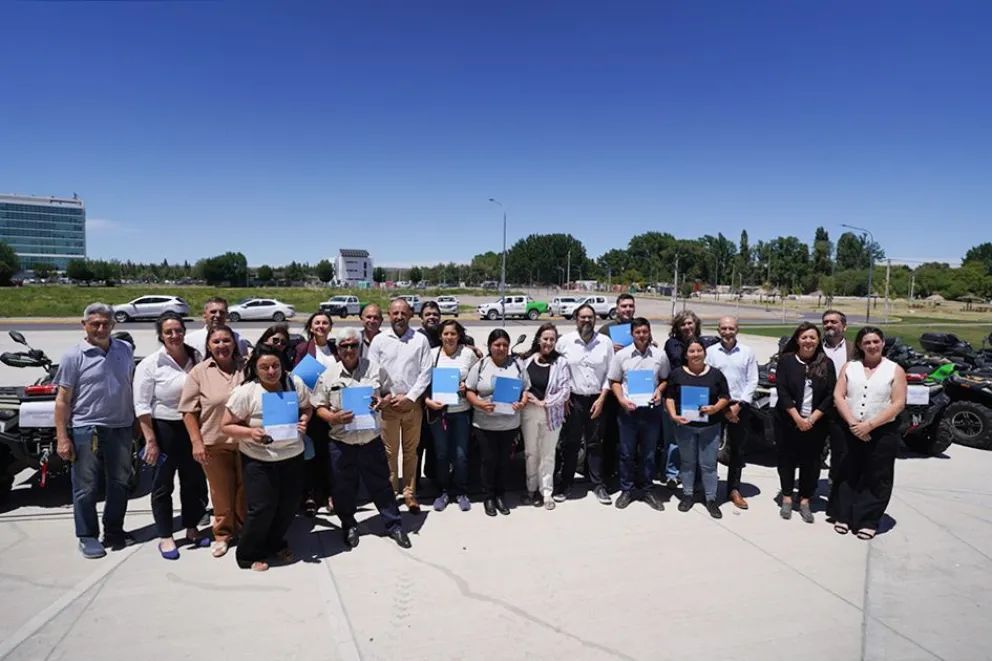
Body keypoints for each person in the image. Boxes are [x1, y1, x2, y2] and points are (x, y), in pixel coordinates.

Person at [311, 328, 412, 549]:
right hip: (342, 444)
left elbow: (389, 393)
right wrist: (333, 417)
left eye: (353, 345)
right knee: (343, 488)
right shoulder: (328, 375)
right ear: (338, 349)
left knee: (382, 485)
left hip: (371, 441)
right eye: (344, 346)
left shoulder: (374, 369)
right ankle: (348, 525)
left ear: (359, 347)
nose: (349, 350)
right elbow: (319, 406)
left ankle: (394, 525)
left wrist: (383, 401)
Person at [54, 303, 136, 558]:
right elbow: (62, 400)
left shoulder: (124, 350)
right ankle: (87, 535)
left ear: (114, 325)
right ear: (84, 325)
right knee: (86, 485)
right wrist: (62, 437)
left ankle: (113, 530)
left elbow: (131, 386)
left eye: (106, 324)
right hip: (87, 428)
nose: (101, 329)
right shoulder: (73, 356)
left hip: (121, 426)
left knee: (120, 481)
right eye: (95, 324)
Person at [221, 344, 312, 571]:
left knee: (287, 506)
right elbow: (226, 426)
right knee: (262, 508)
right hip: (259, 459)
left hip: (292, 455)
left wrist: (304, 420)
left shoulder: (294, 384)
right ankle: (248, 554)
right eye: (264, 367)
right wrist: (250, 433)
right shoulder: (247, 392)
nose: (271, 371)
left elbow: (307, 407)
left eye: (275, 366)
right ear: (256, 368)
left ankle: (275, 543)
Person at [133, 312, 207, 560]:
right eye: (169, 332)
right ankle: (165, 535)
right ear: (161, 336)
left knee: (193, 481)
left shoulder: (196, 356)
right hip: (164, 429)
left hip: (193, 428)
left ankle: (192, 528)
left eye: (178, 330)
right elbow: (141, 406)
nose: (175, 336)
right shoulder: (150, 364)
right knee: (162, 484)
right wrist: (150, 441)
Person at [832, 327, 907, 539]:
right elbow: (839, 395)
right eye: (867, 342)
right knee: (847, 472)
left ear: (883, 343)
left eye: (876, 341)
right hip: (851, 428)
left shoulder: (895, 369)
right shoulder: (850, 367)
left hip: (881, 431)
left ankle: (868, 519)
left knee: (877, 475)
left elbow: (898, 403)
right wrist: (853, 423)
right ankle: (844, 515)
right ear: (859, 345)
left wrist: (870, 426)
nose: (872, 346)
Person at [179, 324, 246, 558]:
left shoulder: (246, 368)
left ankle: (245, 529)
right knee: (221, 492)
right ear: (208, 345)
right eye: (216, 341)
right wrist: (196, 442)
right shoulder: (199, 372)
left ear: (234, 343)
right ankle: (223, 534)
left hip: (247, 442)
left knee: (245, 490)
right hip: (214, 442)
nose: (222, 346)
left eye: (226, 341)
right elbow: (188, 411)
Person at [367, 298, 433, 513]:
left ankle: (409, 493)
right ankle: (391, 491)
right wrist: (384, 396)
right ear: (389, 314)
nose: (399, 317)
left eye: (403, 313)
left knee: (410, 451)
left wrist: (410, 397)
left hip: (412, 405)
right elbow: (371, 372)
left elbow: (426, 373)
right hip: (387, 405)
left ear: (410, 314)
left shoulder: (420, 340)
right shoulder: (379, 340)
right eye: (395, 313)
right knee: (389, 452)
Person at [774, 322, 836, 523]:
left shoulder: (826, 363)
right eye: (804, 337)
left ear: (818, 341)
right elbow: (782, 391)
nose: (808, 341)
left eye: (812, 337)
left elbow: (830, 395)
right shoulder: (786, 361)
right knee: (786, 460)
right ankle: (786, 497)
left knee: (811, 463)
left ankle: (805, 500)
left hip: (815, 424)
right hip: (788, 421)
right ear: (797, 340)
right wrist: (797, 418)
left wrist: (811, 419)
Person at [554, 304, 615, 505]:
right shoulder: (565, 342)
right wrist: (563, 397)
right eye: (583, 317)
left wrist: (602, 398)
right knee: (570, 443)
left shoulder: (605, 342)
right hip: (573, 400)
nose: (587, 321)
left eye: (590, 317)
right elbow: (555, 369)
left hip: (598, 399)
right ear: (576, 318)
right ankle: (566, 483)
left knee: (595, 443)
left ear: (595, 319)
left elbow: (611, 374)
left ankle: (598, 485)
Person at [608, 318, 669, 511]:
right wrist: (621, 400)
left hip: (651, 411)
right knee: (627, 453)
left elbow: (665, 379)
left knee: (649, 453)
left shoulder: (660, 355)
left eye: (645, 331)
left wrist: (660, 390)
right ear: (632, 334)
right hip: (629, 411)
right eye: (638, 332)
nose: (642, 335)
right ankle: (627, 489)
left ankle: (648, 489)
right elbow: (614, 381)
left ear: (649, 332)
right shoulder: (622, 356)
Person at [665, 337, 730, 519]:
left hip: (710, 427)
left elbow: (725, 396)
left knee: (709, 465)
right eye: (691, 351)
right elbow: (669, 397)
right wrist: (673, 415)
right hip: (685, 426)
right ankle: (687, 495)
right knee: (687, 463)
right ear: (686, 355)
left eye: (699, 351)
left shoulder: (715, 374)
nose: (695, 354)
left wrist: (715, 408)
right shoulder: (677, 374)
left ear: (705, 352)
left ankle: (711, 499)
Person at [466, 329, 526, 516]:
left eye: (505, 345)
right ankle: (489, 497)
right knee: (488, 461)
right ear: (490, 346)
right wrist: (479, 404)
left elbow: (525, 389)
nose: (501, 348)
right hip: (485, 424)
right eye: (497, 345)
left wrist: (522, 402)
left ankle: (500, 495)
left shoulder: (517, 365)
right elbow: (469, 390)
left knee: (503, 462)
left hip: (509, 424)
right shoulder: (481, 365)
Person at [423, 320, 479, 512]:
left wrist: (467, 387)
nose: (449, 337)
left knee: (461, 455)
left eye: (453, 334)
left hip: (461, 411)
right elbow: (422, 382)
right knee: (441, 454)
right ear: (440, 336)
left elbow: (477, 378)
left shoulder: (468, 354)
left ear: (459, 335)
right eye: (445, 334)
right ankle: (443, 491)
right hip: (440, 413)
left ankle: (461, 491)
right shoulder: (432, 355)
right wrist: (427, 401)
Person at [704, 316, 758, 510]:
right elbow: (707, 378)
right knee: (711, 450)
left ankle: (734, 489)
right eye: (724, 328)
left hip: (739, 407)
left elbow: (752, 381)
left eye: (731, 328)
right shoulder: (710, 353)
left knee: (737, 450)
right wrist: (722, 407)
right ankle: (710, 489)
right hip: (716, 407)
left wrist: (739, 405)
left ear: (737, 330)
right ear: (718, 330)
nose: (727, 332)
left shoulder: (747, 352)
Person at [520, 323, 571, 510]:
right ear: (539, 339)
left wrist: (545, 402)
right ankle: (531, 489)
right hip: (529, 413)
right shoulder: (527, 360)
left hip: (552, 414)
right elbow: (521, 383)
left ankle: (546, 492)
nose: (548, 342)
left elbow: (565, 390)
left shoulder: (561, 363)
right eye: (545, 338)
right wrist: (528, 395)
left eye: (552, 339)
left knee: (547, 454)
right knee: (531, 452)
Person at [292, 312, 337, 517]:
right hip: (311, 409)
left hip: (333, 408)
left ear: (330, 327)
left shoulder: (335, 348)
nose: (321, 326)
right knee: (311, 454)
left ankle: (329, 493)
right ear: (311, 327)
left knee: (330, 453)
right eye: (317, 322)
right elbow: (297, 380)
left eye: (325, 323)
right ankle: (309, 495)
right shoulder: (303, 349)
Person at [596, 293, 637, 485]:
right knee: (610, 434)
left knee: (632, 436)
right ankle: (608, 474)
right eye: (624, 306)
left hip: (635, 388)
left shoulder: (640, 326)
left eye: (630, 306)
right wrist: (610, 347)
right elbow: (596, 354)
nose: (627, 309)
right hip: (613, 390)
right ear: (617, 308)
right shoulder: (606, 329)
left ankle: (629, 474)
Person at [661, 310, 702, 489]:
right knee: (673, 438)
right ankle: (671, 473)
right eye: (682, 324)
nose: (687, 327)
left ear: (696, 324)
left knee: (696, 436)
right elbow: (678, 360)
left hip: (697, 393)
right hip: (675, 395)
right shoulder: (672, 344)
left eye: (689, 323)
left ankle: (694, 473)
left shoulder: (704, 342)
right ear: (677, 327)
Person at [821, 308, 855, 521]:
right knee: (814, 453)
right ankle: (807, 491)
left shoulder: (854, 350)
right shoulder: (814, 346)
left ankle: (836, 497)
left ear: (844, 326)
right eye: (826, 322)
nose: (829, 325)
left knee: (841, 454)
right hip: (817, 408)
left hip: (843, 409)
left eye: (834, 322)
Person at [185, 297, 252, 357]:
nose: (218, 315)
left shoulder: (238, 339)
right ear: (204, 315)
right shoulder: (189, 340)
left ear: (227, 315)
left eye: (222, 312)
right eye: (213, 312)